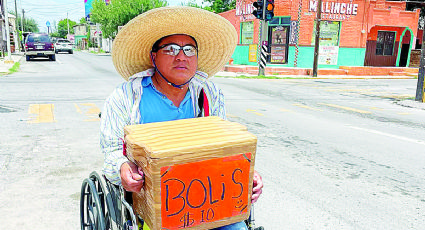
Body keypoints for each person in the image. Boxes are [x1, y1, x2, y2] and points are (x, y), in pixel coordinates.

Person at [100, 6, 263, 230]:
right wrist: (122, 167)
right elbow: (111, 152)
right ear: (153, 56)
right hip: (155, 207)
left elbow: (226, 148)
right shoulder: (125, 97)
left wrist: (247, 174)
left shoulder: (209, 94)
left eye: (189, 50)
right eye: (171, 49)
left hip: (208, 199)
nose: (181, 56)